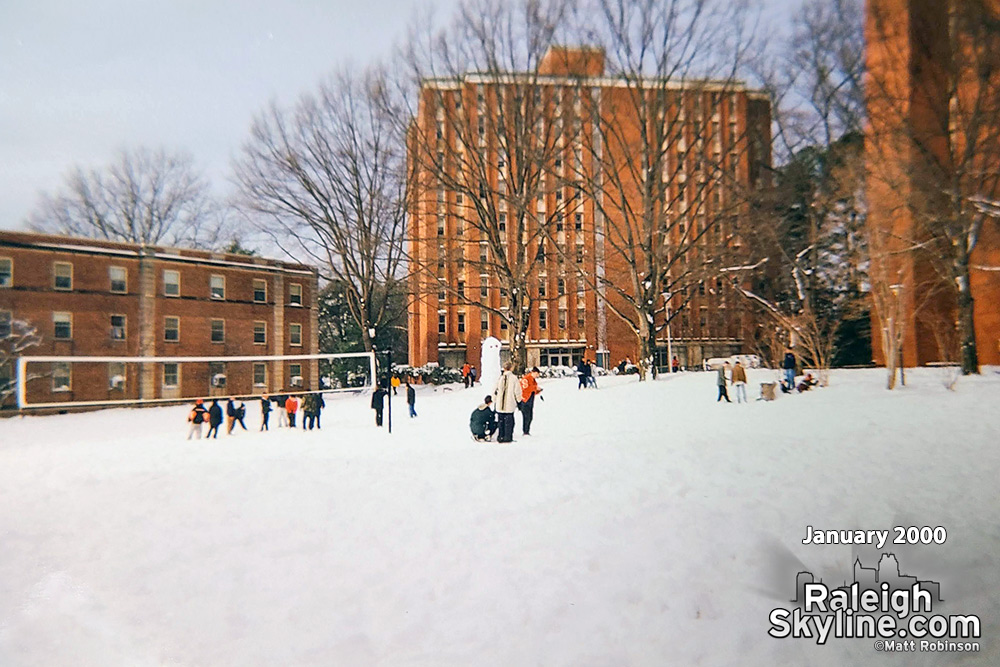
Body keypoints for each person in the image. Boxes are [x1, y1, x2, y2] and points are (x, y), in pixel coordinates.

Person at [493, 362, 521, 443]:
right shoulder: (514, 379)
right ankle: (507, 437)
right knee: (509, 422)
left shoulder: (500, 378)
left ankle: (500, 436)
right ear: (511, 368)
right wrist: (518, 401)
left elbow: (494, 390)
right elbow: (517, 392)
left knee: (500, 422)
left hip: (500, 405)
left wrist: (495, 400)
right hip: (510, 405)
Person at [518, 366, 543, 436]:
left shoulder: (533, 380)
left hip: (530, 400)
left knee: (530, 416)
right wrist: (535, 388)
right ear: (533, 372)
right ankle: (525, 431)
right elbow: (525, 388)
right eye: (537, 374)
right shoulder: (526, 379)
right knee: (526, 416)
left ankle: (527, 430)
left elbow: (532, 390)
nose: (537, 376)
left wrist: (537, 391)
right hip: (525, 400)